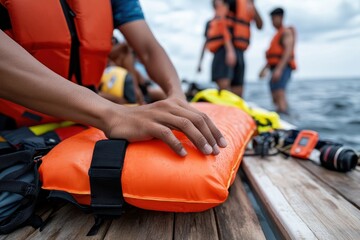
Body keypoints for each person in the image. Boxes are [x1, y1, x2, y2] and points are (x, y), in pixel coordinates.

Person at [0, 0, 227, 156]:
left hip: (82, 122)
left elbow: (147, 48)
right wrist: (113, 115)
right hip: (11, 127)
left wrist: (176, 95)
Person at [205, 0, 263, 97]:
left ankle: (236, 110)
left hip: (239, 50)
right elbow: (221, 22)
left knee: (238, 90)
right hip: (224, 49)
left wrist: (253, 5)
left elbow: (260, 25)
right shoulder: (230, 3)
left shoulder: (247, 4)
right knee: (225, 89)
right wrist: (229, 50)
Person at [259, 7, 297, 114]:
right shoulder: (276, 35)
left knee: (280, 93)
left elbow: (288, 52)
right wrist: (264, 69)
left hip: (283, 68)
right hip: (274, 68)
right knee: (275, 95)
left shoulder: (286, 32)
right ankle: (281, 114)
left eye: (273, 19)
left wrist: (279, 70)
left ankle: (285, 117)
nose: (272, 22)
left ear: (280, 17)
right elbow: (272, 56)